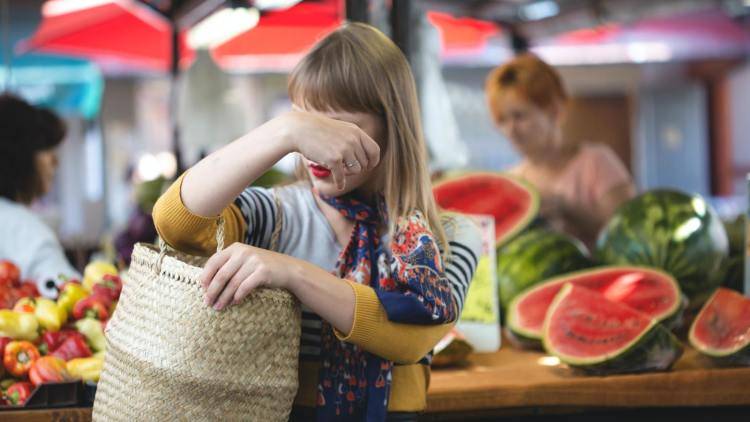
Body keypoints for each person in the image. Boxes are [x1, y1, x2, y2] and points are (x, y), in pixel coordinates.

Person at [153, 23, 481, 422]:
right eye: (309, 125)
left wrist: (293, 273)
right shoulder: (276, 215)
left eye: (339, 125)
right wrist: (284, 130)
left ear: (390, 126)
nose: (317, 147)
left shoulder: (449, 236)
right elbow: (175, 222)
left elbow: (409, 339)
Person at [485, 54, 636, 247]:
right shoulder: (510, 181)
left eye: (519, 116)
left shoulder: (596, 161)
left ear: (554, 111)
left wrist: (569, 210)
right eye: (502, 120)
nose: (510, 130)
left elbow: (628, 235)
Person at [0, 93, 80, 297]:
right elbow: (71, 297)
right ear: (18, 156)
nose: (55, 162)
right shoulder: (23, 229)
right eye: (46, 149)